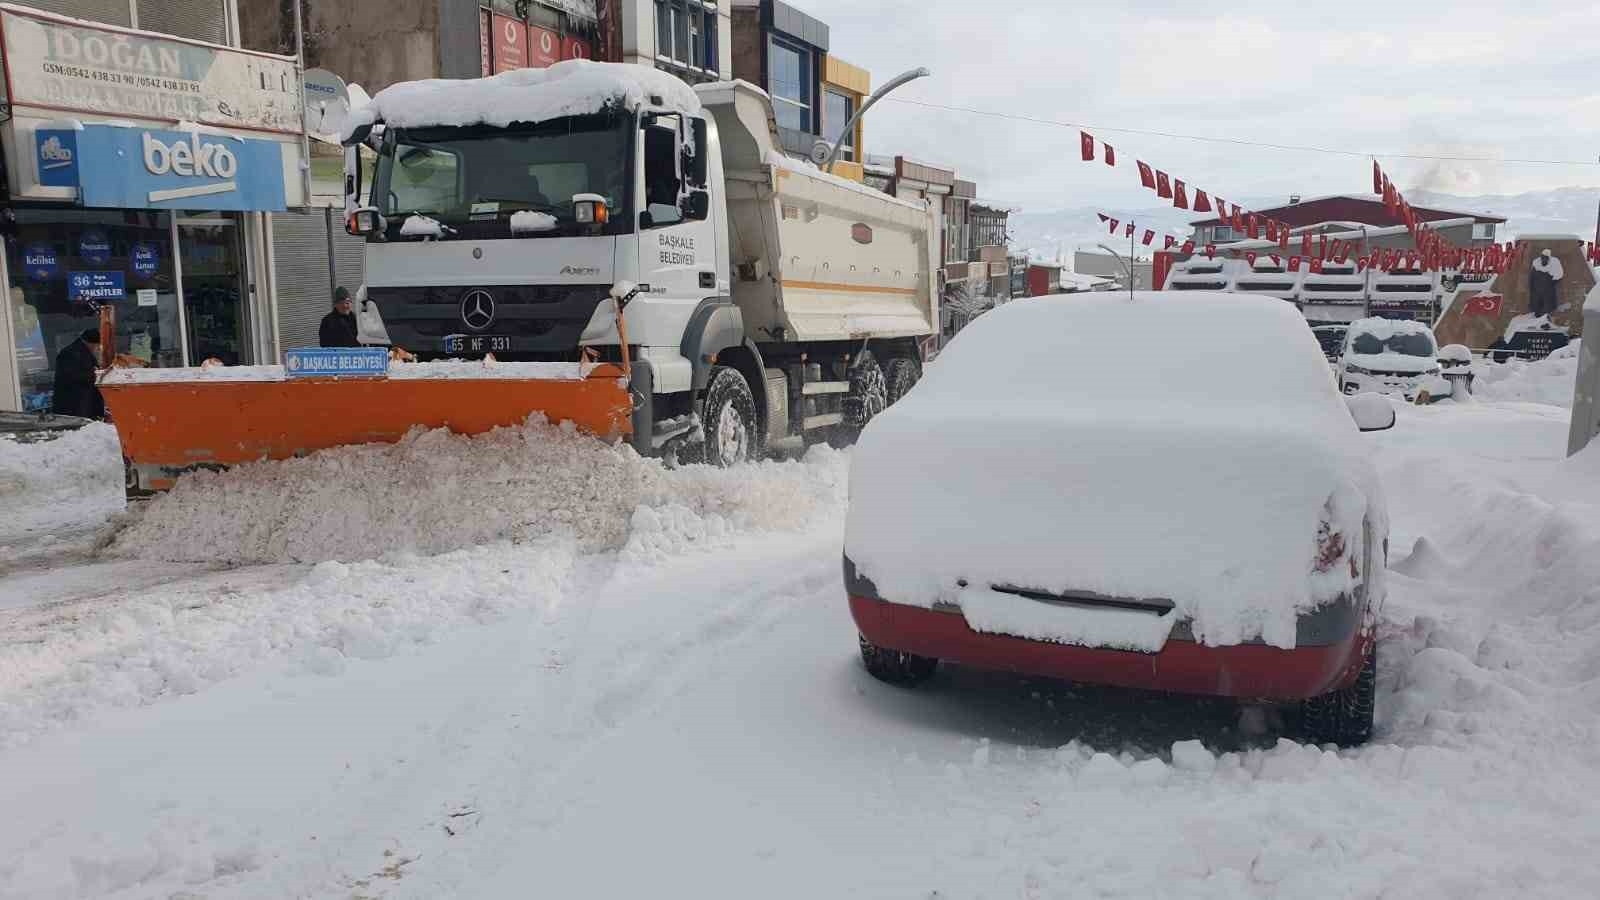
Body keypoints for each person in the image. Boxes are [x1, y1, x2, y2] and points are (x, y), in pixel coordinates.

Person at [51, 328, 105, 420]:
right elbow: (73, 377)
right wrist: (96, 374)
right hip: (74, 406)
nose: (97, 349)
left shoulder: (76, 351)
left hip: (80, 405)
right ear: (92, 344)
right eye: (97, 346)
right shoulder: (71, 354)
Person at [1529, 248, 1563, 318]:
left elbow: (1559, 275)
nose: (1544, 259)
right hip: (1537, 290)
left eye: (1546, 258)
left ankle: (1546, 320)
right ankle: (1537, 320)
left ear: (1548, 258)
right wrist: (1532, 287)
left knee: (1547, 308)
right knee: (1537, 308)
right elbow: (1531, 277)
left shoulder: (1554, 264)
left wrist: (1552, 283)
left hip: (1548, 291)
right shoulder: (1536, 264)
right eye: (1543, 257)